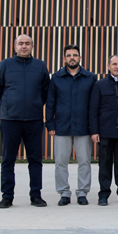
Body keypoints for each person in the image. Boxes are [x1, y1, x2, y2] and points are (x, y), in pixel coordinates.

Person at [0, 34, 51, 209]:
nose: (24, 46)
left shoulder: (40, 66)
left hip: (34, 120)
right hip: (10, 120)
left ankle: (36, 195)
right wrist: (8, 107)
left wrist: (36, 104)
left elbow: (46, 90)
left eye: (27, 43)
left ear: (32, 46)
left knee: (35, 160)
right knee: (8, 160)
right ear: (15, 46)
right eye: (21, 43)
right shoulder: (5, 65)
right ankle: (7, 197)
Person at [45, 44, 96, 206]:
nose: (72, 58)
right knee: (60, 162)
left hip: (84, 127)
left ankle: (82, 193)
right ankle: (64, 193)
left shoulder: (90, 77)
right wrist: (50, 124)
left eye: (75, 55)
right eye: (69, 55)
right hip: (62, 126)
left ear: (80, 57)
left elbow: (94, 105)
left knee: (84, 162)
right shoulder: (56, 77)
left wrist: (94, 127)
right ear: (64, 58)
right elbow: (50, 103)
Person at [89, 54, 118, 206]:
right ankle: (103, 194)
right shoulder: (99, 85)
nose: (117, 67)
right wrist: (94, 131)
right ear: (108, 66)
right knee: (105, 164)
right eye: (114, 64)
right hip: (105, 132)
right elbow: (93, 109)